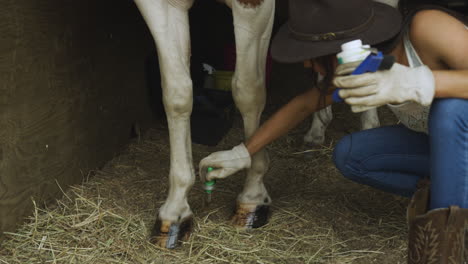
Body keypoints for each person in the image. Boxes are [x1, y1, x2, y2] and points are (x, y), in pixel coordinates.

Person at [199, 0, 468, 262]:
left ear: (341, 48)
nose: (306, 65)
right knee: (352, 154)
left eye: (310, 57)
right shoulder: (370, 64)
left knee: (450, 110)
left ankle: (444, 252)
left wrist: (415, 81)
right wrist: (242, 153)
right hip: (453, 156)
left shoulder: (426, 27)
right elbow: (305, 104)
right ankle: (456, 195)